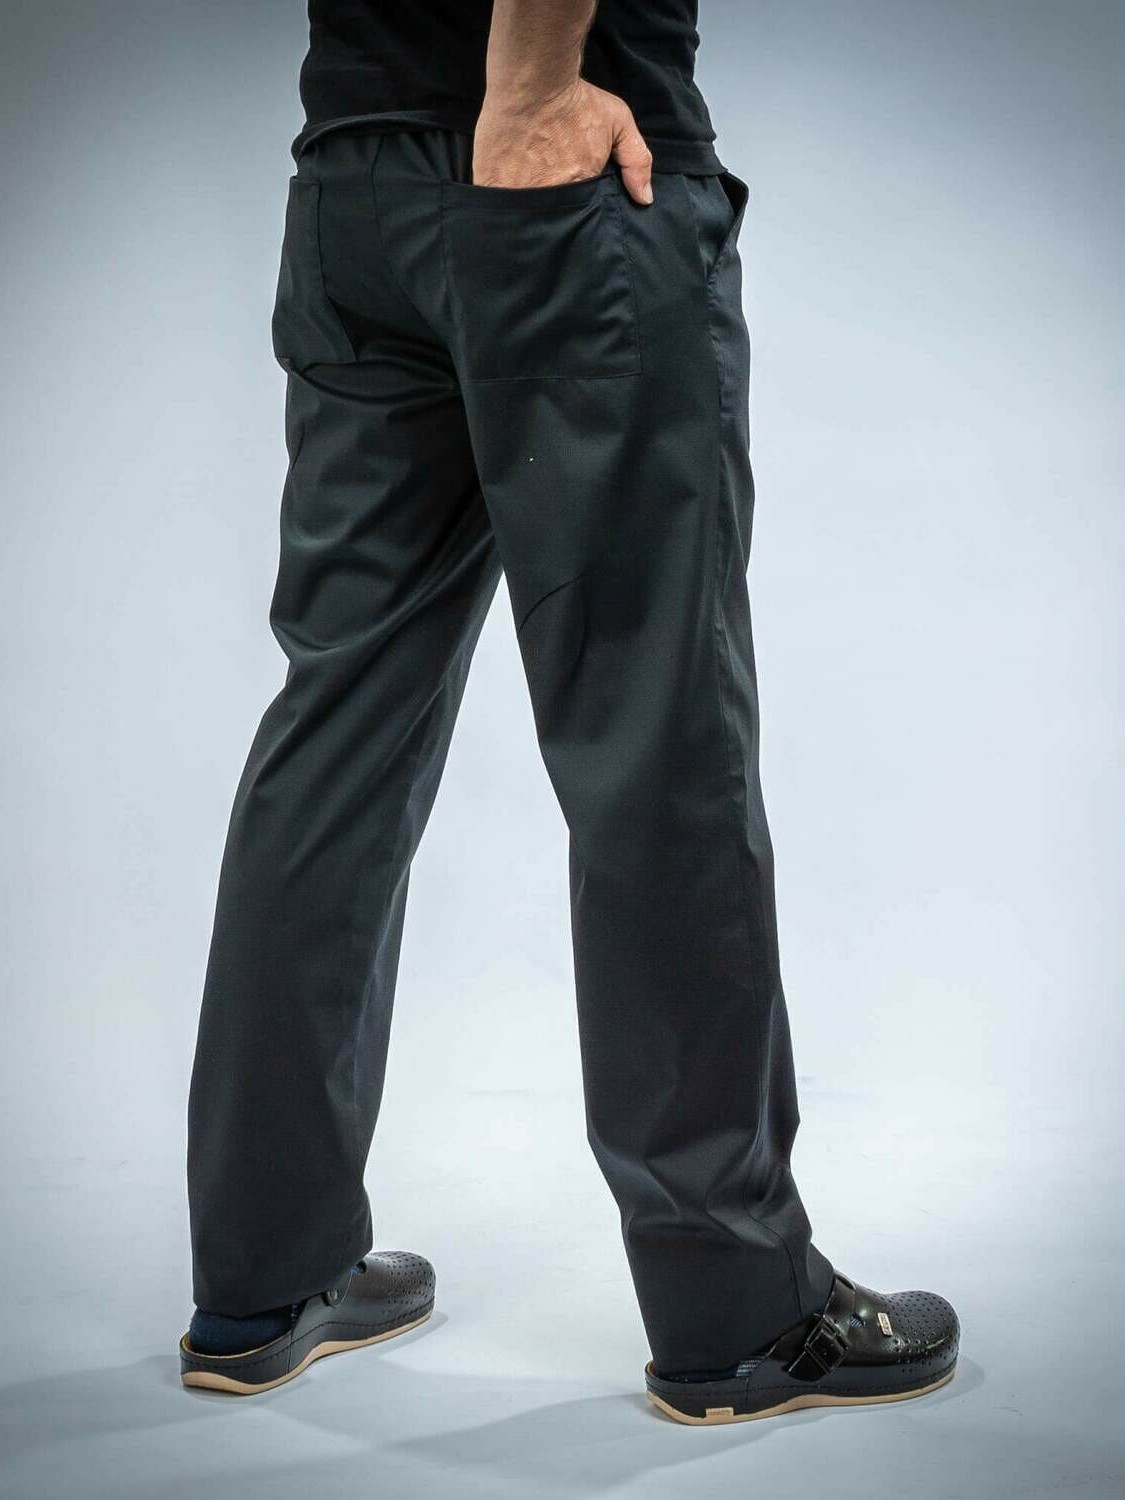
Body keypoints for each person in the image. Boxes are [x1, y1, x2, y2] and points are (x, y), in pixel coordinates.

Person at [179, 0, 959, 1421]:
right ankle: (737, 1310)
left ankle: (262, 1279)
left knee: (337, 726)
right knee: (657, 736)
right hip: (550, 182)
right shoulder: (536, 114)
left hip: (349, 180)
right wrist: (534, 81)